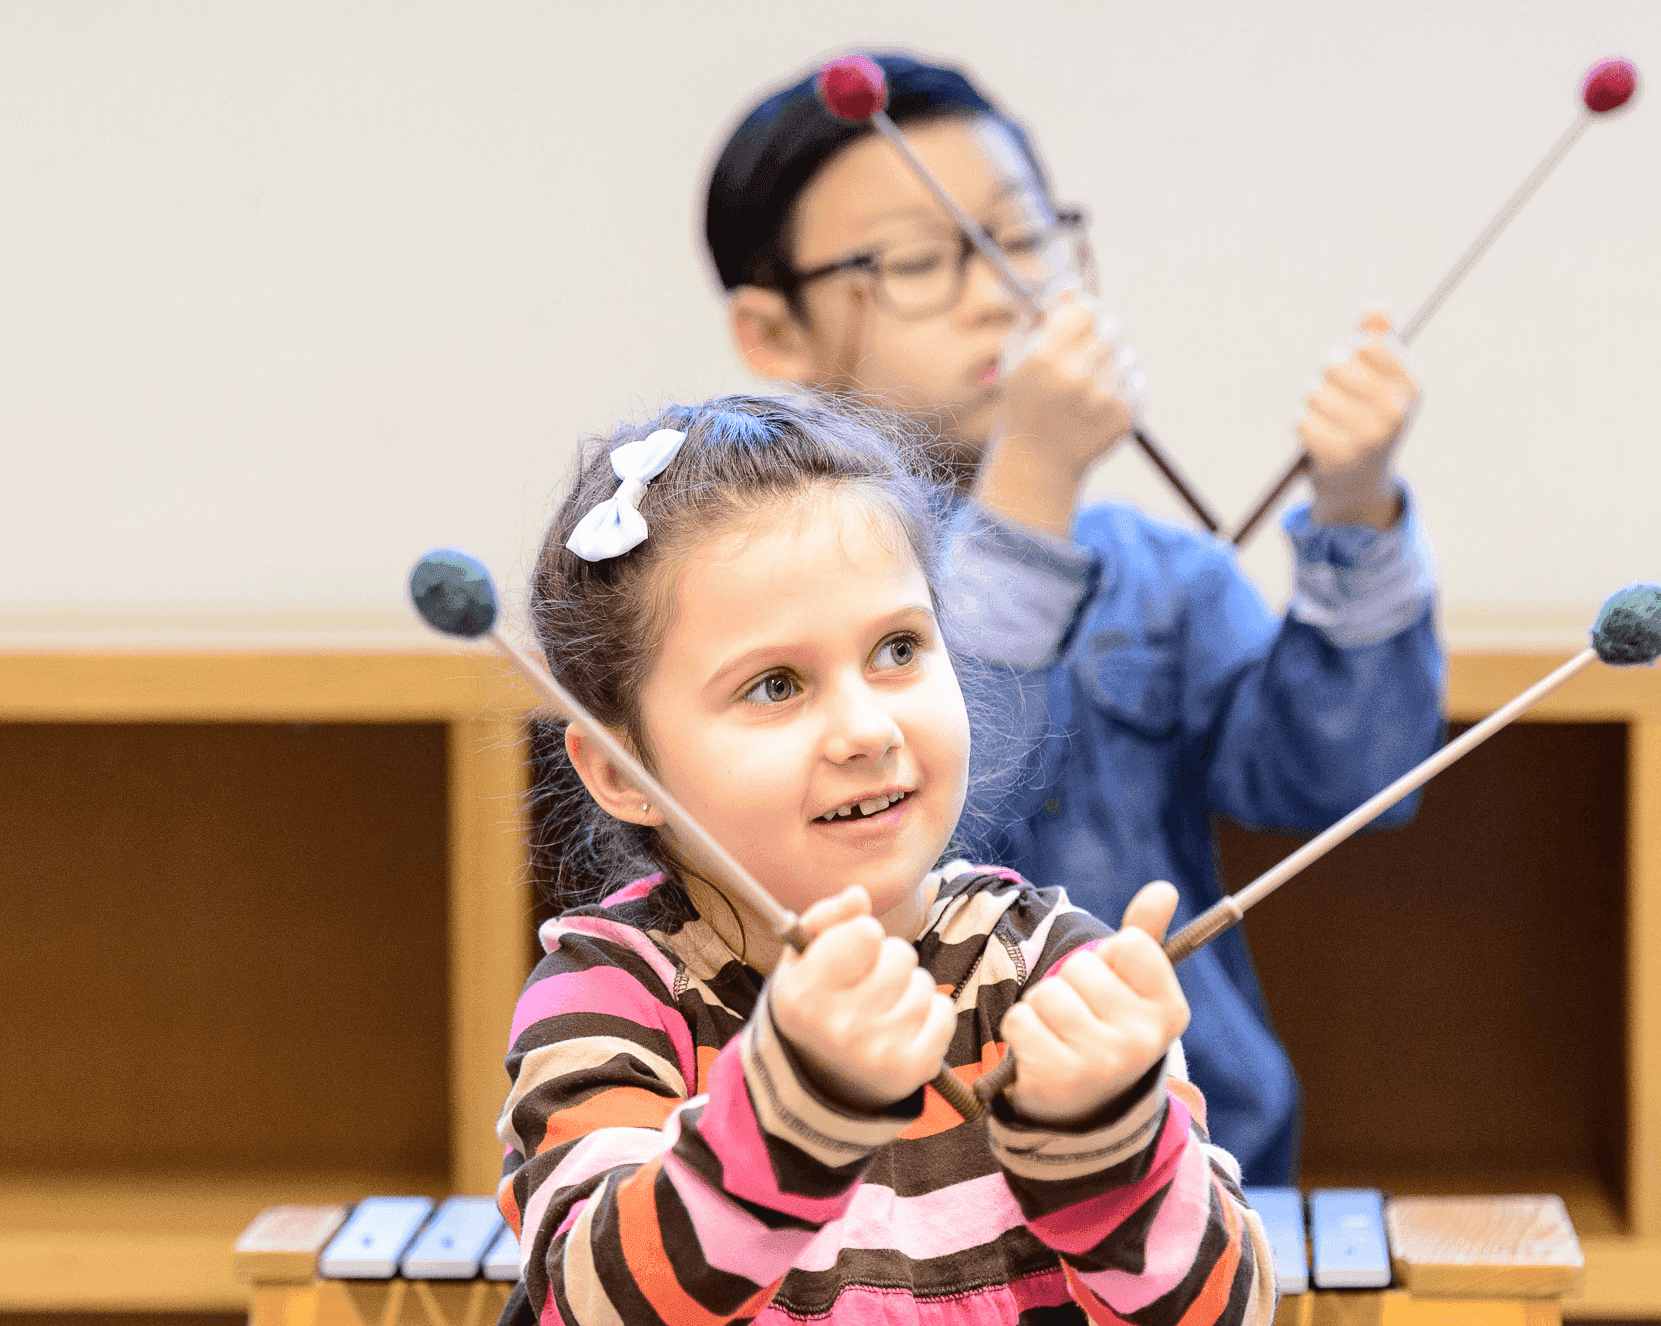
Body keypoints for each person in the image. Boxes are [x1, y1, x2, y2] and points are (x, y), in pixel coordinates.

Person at [702, 53, 1445, 1184]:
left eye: (1021, 237)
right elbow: (937, 819)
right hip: (873, 1195)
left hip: (1180, 1162)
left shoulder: (1155, 576)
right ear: (774, 334)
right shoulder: (743, 596)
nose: (999, 292)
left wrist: (1354, 505)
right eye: (917, 261)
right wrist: (1032, 482)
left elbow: (1350, 781)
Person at [499, 395, 1273, 1326]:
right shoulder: (613, 996)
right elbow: (592, 1304)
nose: (867, 729)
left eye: (898, 648)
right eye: (775, 685)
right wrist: (789, 1113)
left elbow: (1226, 1311)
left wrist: (1108, 1144)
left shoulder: (1052, 968)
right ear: (618, 772)